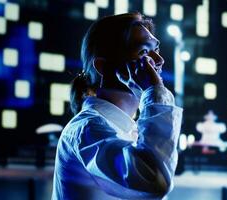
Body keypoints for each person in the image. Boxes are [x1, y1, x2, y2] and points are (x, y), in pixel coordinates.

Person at [52, 12, 183, 200]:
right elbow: (154, 180)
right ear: (103, 66)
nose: (159, 60)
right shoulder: (88, 129)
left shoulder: (133, 130)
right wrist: (154, 92)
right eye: (143, 52)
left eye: (156, 49)